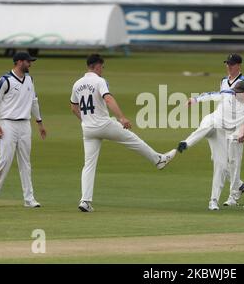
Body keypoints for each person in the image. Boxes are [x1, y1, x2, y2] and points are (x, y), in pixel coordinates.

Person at [70, 54, 176, 213]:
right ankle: (158, 159)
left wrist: (86, 121)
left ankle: (85, 201)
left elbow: (73, 107)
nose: (103, 70)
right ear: (98, 65)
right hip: (104, 124)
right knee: (132, 139)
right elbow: (108, 99)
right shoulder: (100, 81)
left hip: (88, 129)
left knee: (89, 165)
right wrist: (121, 118)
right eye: (102, 67)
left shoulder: (77, 84)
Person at [178, 81, 244, 210]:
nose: (235, 95)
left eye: (238, 93)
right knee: (208, 123)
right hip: (213, 122)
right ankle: (186, 143)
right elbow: (209, 95)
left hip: (223, 134)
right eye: (234, 92)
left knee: (221, 165)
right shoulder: (228, 94)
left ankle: (213, 201)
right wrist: (194, 99)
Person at [0, 52, 47, 208]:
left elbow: (34, 101)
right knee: (4, 160)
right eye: (28, 62)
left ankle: (29, 198)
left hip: (25, 125)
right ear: (19, 62)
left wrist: (39, 122)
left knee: (25, 162)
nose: (30, 64)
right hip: (7, 124)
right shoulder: (5, 80)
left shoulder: (30, 80)